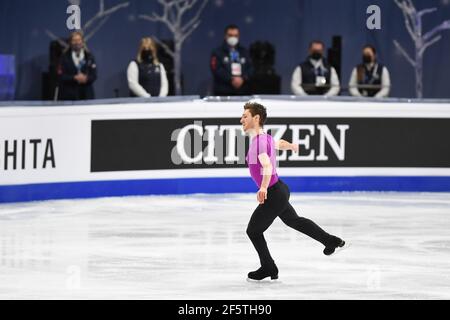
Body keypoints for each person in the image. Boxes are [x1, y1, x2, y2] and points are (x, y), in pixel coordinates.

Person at [240, 101, 345, 281]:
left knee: (253, 231)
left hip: (273, 193)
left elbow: (266, 165)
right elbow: (278, 144)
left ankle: (268, 267)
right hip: (280, 190)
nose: (241, 119)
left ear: (256, 118)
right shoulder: (264, 138)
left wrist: (263, 187)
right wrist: (292, 146)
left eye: (245, 116)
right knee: (294, 221)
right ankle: (330, 241)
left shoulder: (259, 142)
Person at [210, 24, 252, 96]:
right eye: (230, 35)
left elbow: (251, 68)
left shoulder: (245, 52)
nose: (233, 38)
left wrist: (243, 78)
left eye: (236, 35)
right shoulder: (217, 52)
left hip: (242, 92)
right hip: (223, 92)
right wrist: (231, 79)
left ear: (239, 36)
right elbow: (216, 69)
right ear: (225, 36)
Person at [57, 31, 97, 100]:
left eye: (79, 40)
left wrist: (85, 78)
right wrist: (74, 77)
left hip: (87, 96)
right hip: (69, 97)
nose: (77, 42)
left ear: (82, 42)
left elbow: (94, 75)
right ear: (70, 42)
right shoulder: (64, 57)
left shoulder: (89, 56)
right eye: (74, 40)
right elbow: (61, 76)